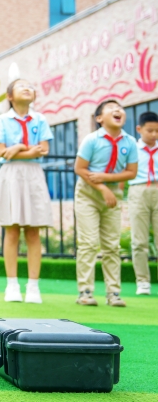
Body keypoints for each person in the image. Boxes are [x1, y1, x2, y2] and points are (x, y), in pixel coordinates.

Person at [0, 79, 53, 303]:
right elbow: (0, 152)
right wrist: (24, 149)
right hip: (11, 175)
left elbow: (43, 149)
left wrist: (16, 148)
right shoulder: (2, 120)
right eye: (21, 86)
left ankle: (33, 287)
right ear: (9, 96)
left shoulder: (40, 119)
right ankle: (12, 285)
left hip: (33, 174)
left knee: (33, 231)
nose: (27, 88)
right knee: (12, 230)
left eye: (30, 85)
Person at [73, 99, 138, 307]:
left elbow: (131, 172)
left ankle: (113, 293)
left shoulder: (130, 142)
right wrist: (101, 187)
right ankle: (85, 291)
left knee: (111, 245)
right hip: (88, 193)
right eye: (111, 108)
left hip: (112, 195)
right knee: (89, 243)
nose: (118, 110)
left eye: (120, 108)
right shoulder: (91, 140)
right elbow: (80, 169)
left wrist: (105, 180)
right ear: (99, 118)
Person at [128, 111, 158, 295]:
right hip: (138, 190)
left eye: (157, 131)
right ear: (139, 129)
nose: (154, 134)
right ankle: (143, 282)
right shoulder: (132, 149)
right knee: (139, 240)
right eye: (150, 130)